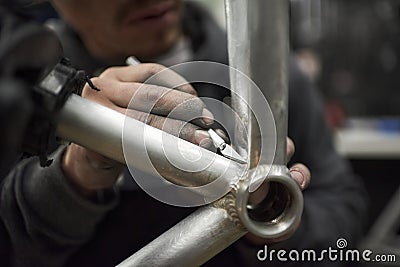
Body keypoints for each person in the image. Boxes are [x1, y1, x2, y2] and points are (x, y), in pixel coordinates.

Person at [0, 1, 367, 266]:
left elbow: (342, 210)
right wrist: (74, 174)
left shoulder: (274, 78)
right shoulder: (17, 85)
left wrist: (272, 226)